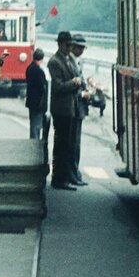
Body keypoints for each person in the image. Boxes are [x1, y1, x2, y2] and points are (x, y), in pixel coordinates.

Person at [47, 31, 84, 190]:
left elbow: (77, 77)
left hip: (71, 107)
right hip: (61, 109)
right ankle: (59, 179)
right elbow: (58, 86)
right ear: (61, 44)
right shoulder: (54, 62)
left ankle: (66, 177)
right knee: (61, 145)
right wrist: (74, 83)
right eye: (68, 45)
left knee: (68, 144)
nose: (70, 48)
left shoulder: (68, 60)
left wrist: (78, 82)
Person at [70, 34, 90, 186]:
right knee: (73, 143)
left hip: (78, 108)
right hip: (74, 107)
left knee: (76, 143)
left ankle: (75, 172)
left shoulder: (76, 61)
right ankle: (73, 173)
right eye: (80, 48)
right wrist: (83, 93)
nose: (82, 50)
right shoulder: (70, 62)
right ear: (73, 47)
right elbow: (68, 85)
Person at [25, 48, 48, 140]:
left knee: (33, 123)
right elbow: (42, 86)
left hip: (31, 100)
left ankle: (33, 140)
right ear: (42, 58)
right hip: (38, 102)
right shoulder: (39, 71)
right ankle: (34, 143)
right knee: (36, 125)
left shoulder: (29, 68)